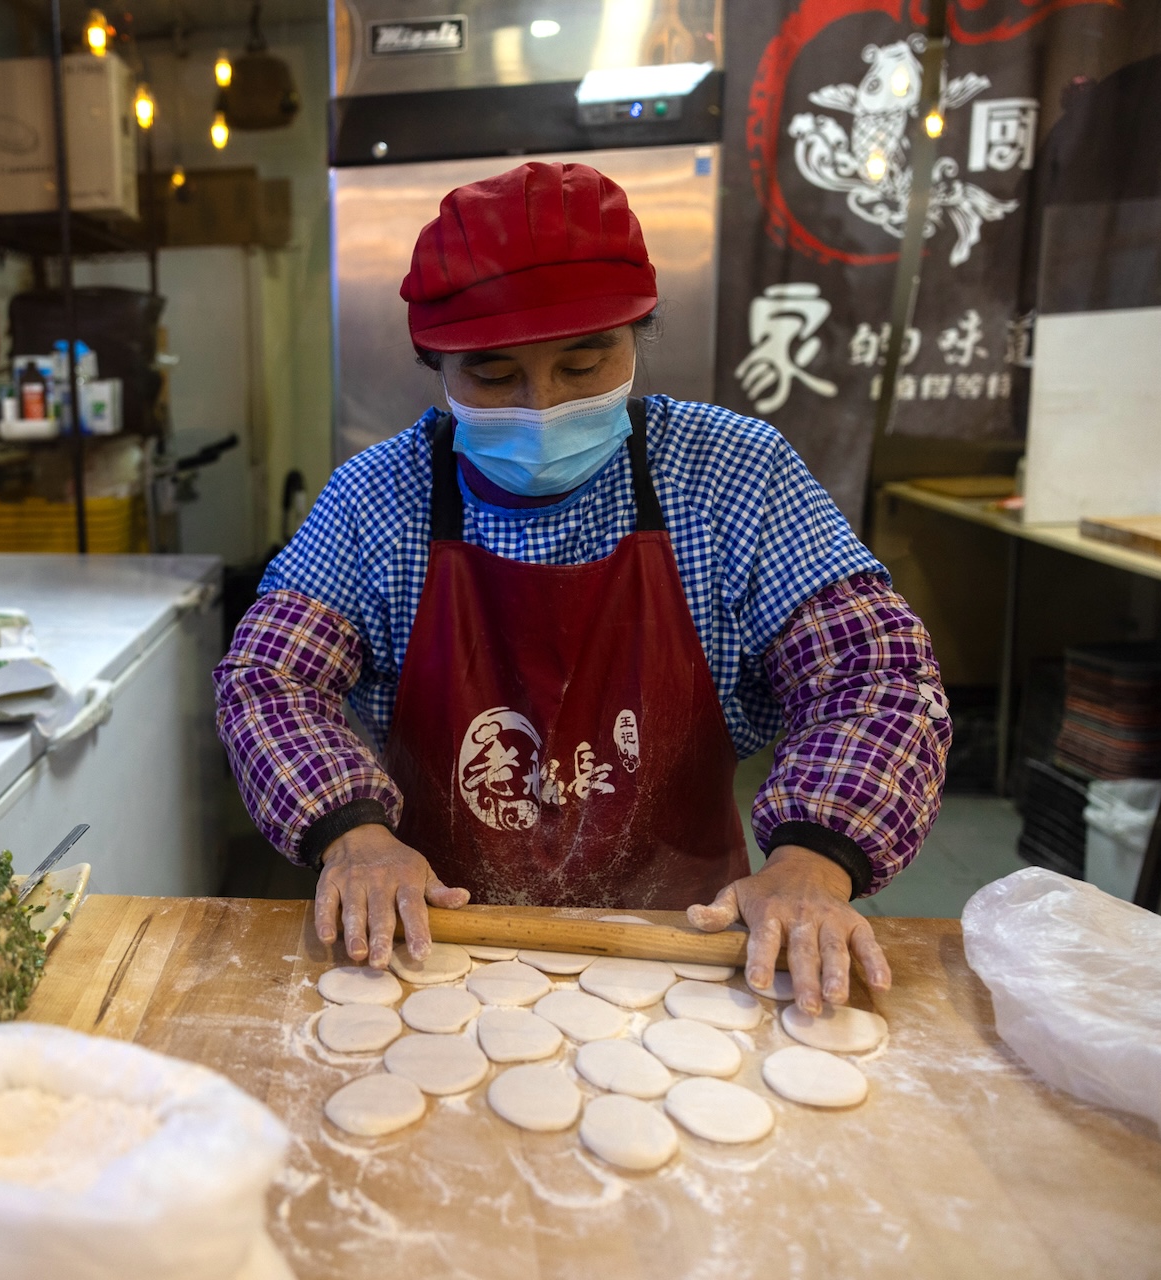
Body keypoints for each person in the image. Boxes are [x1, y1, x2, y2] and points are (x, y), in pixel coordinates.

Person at [214, 162, 951, 1013]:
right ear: (434, 366)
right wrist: (352, 833)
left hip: (694, 950)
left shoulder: (734, 476)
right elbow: (270, 677)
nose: (542, 406)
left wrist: (814, 859)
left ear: (637, 338)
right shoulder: (378, 498)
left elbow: (878, 673)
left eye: (584, 363)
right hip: (435, 945)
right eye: (493, 378)